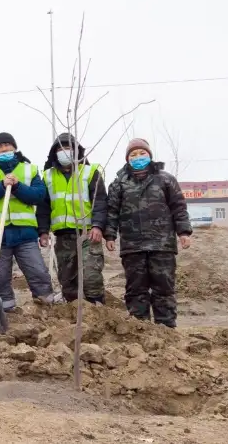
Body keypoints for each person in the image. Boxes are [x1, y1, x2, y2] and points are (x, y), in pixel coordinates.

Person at [104, 138, 192, 328]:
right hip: (132, 246)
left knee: (164, 288)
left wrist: (183, 232)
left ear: (149, 155)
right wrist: (110, 235)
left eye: (141, 153)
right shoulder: (119, 184)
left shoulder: (165, 179)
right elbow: (112, 211)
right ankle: (140, 329)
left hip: (162, 244)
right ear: (127, 159)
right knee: (136, 289)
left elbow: (178, 207)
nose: (138, 157)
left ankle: (167, 329)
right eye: (133, 154)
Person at [0, 132, 54, 311]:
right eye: (0, 146)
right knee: (0, 277)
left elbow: (38, 195)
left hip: (24, 234)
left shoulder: (29, 169)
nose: (4, 149)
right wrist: (1, 186)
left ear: (14, 147)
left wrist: (17, 186)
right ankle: (7, 312)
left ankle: (48, 307)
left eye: (7, 145)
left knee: (38, 271)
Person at [37, 133, 108, 304]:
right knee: (67, 279)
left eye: (68, 148)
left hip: (88, 233)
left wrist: (98, 226)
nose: (65, 152)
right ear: (55, 153)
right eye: (61, 149)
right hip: (62, 235)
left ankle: (97, 307)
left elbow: (100, 202)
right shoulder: (47, 176)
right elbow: (43, 207)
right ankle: (72, 312)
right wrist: (43, 231)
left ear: (77, 151)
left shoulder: (90, 172)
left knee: (91, 274)